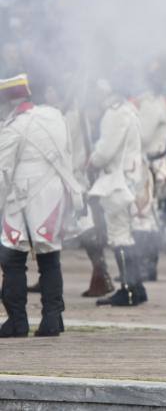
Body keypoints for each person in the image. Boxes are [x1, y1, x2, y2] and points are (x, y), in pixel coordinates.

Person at [0, 74, 82, 337]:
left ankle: (17, 321)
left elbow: (3, 172)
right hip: (53, 197)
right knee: (50, 258)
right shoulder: (55, 116)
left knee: (12, 258)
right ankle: (52, 319)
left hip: (22, 199)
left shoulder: (13, 128)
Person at [89, 78, 149, 307]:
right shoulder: (128, 110)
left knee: (119, 236)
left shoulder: (114, 113)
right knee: (126, 235)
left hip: (117, 180)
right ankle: (137, 287)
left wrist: (92, 161)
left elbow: (105, 152)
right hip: (128, 178)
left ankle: (128, 289)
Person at [131, 63, 166, 281]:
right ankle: (147, 266)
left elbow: (143, 137)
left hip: (149, 165)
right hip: (155, 164)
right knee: (151, 214)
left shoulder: (150, 103)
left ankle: (144, 267)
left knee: (144, 216)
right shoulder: (158, 102)